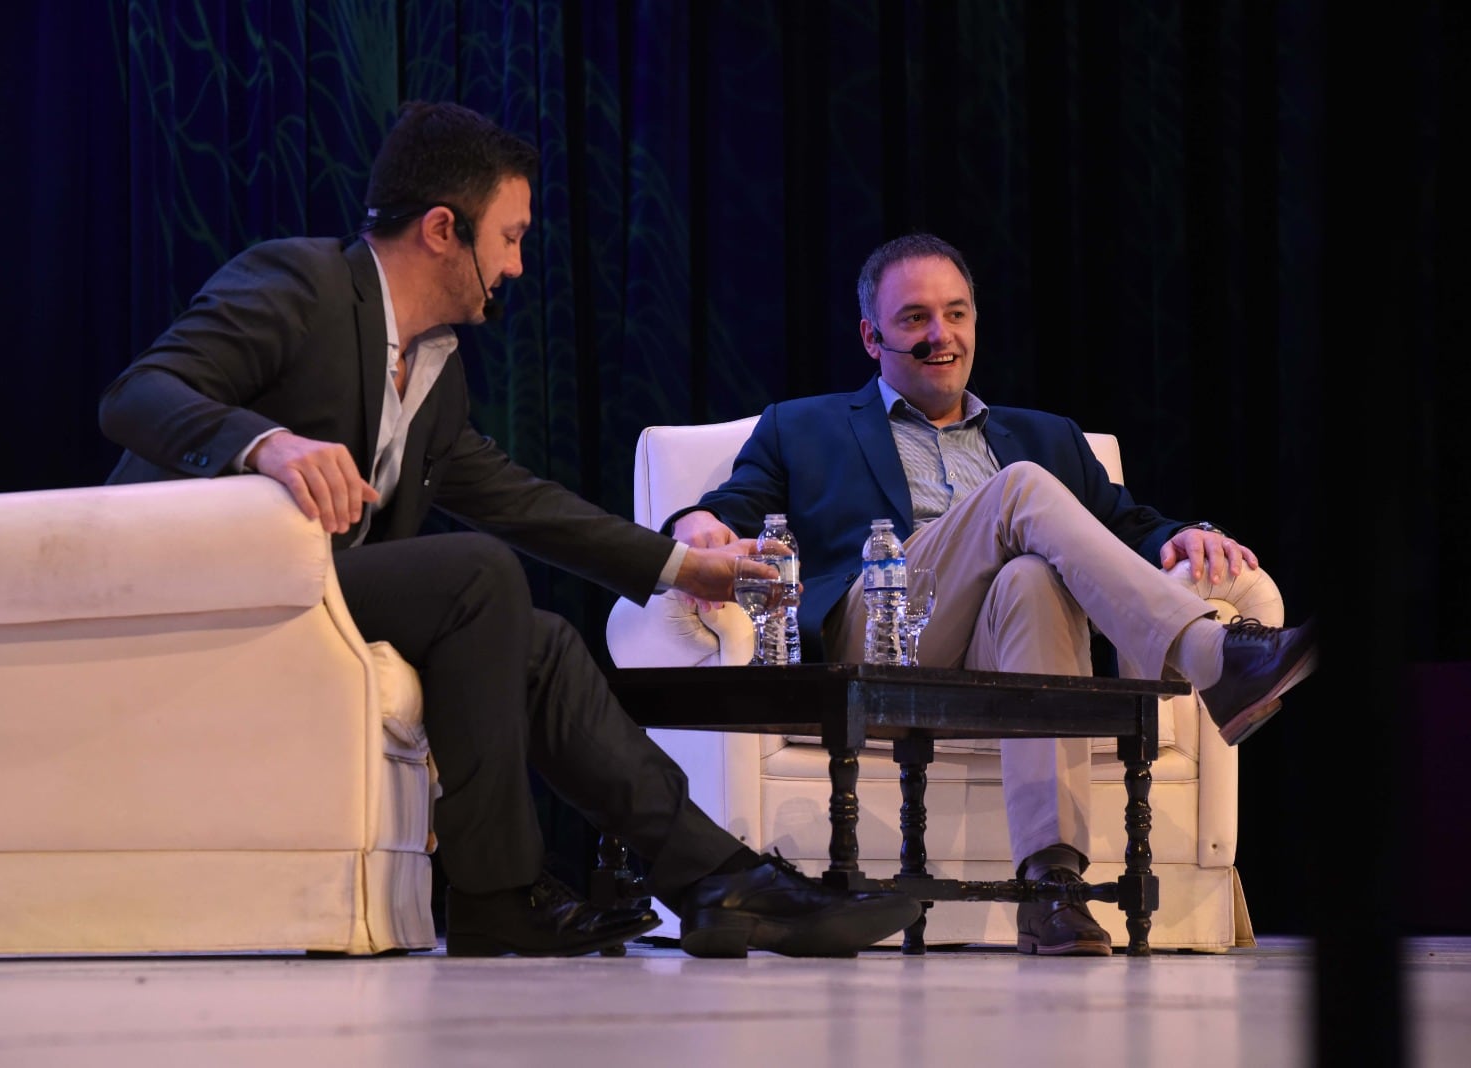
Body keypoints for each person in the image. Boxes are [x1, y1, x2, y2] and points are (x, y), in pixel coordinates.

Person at [98, 101, 920, 959]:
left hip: (310, 598)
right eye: (511, 237)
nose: (518, 266)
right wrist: (269, 444)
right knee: (475, 575)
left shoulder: (434, 375)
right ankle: (495, 890)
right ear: (445, 229)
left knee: (544, 644)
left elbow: (522, 501)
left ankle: (717, 879)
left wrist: (684, 567)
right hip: (212, 582)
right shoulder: (297, 284)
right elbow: (135, 395)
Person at [668, 232, 1317, 958]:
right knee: (1020, 490)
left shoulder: (1047, 434)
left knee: (1031, 579)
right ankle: (1211, 656)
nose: (940, 335)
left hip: (997, 646)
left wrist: (1188, 533)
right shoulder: (803, 425)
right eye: (914, 318)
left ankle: (1051, 886)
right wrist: (696, 526)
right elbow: (731, 504)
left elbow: (1128, 525)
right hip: (878, 639)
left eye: (956, 313)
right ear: (871, 335)